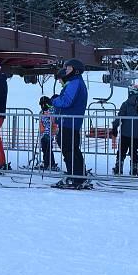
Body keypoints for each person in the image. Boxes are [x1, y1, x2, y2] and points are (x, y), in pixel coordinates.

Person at [51, 59, 88, 188]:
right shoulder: (75, 82)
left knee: (69, 149)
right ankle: (79, 175)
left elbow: (67, 101)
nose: (66, 70)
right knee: (72, 149)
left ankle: (75, 177)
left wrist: (53, 101)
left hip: (69, 121)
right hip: (70, 121)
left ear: (75, 70)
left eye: (68, 68)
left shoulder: (75, 82)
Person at [109, 79, 138, 176]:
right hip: (136, 134)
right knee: (134, 151)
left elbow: (120, 117)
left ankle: (118, 167)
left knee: (122, 150)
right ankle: (134, 168)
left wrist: (115, 127)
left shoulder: (126, 104)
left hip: (125, 133)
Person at [38, 96, 59, 171]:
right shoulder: (43, 111)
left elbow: (49, 124)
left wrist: (47, 134)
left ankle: (50, 163)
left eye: (43, 105)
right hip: (43, 134)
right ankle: (47, 163)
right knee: (45, 149)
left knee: (47, 149)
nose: (42, 106)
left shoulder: (50, 112)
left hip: (47, 134)